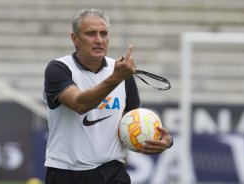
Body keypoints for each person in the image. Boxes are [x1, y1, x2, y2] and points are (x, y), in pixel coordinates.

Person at [43, 8, 173, 184]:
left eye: (103, 33)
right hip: (66, 172)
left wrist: (164, 141)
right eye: (91, 33)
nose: (99, 40)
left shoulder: (120, 71)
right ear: (75, 39)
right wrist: (117, 77)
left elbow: (133, 121)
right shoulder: (59, 69)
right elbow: (79, 104)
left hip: (112, 172)